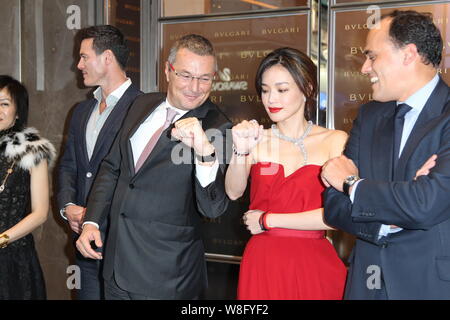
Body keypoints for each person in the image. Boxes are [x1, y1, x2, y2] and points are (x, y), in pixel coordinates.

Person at [76, 34, 232, 300]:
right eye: (185, 75)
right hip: (115, 267)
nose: (195, 87)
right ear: (167, 70)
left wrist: (205, 152)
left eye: (205, 78)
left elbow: (213, 207)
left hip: (168, 277)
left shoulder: (218, 127)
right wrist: (91, 221)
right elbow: (113, 168)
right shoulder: (142, 104)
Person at [321, 10, 450, 299]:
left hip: (430, 285)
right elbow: (333, 205)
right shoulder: (369, 116)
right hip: (367, 283)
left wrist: (352, 185)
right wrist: (386, 219)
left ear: (408, 54)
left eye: (372, 56)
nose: (365, 68)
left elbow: (426, 203)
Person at [225, 47, 347, 300]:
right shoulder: (257, 139)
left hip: (315, 263)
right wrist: (241, 151)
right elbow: (233, 191)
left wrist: (267, 220)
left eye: (282, 90)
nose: (271, 99)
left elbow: (337, 217)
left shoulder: (335, 141)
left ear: (308, 90)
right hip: (263, 263)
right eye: (265, 90)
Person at [57, 25, 142, 300]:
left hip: (123, 243)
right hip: (84, 243)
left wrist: (95, 215)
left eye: (84, 57)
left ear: (107, 58)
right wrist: (69, 206)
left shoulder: (143, 108)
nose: (78, 65)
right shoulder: (81, 111)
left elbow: (136, 178)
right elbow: (69, 165)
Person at [0, 75, 55, 299]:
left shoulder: (32, 149)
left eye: (4, 104)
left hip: (13, 257)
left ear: (18, 111)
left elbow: (41, 213)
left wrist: (1, 239)